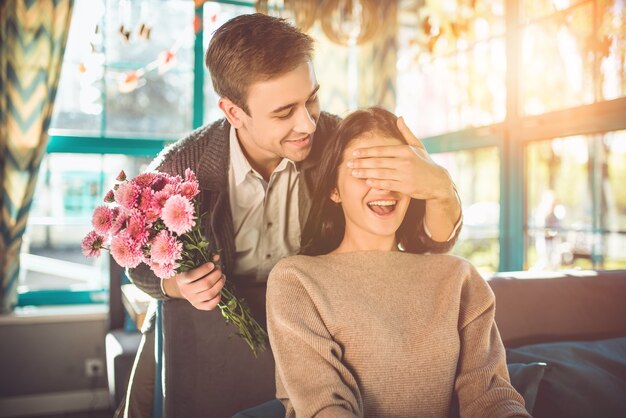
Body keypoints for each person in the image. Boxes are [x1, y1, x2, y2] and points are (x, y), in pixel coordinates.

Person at [117, 14, 463, 417]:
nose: (308, 123)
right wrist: (177, 286)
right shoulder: (179, 166)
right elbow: (136, 263)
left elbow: (429, 241)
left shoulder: (339, 144)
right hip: (198, 329)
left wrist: (439, 187)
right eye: (284, 113)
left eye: (311, 99)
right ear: (233, 112)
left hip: (313, 323)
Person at [266, 107, 530, 418]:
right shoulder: (296, 280)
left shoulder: (457, 277)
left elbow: (491, 398)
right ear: (334, 189)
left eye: (395, 169)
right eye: (364, 168)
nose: (383, 185)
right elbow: (325, 409)